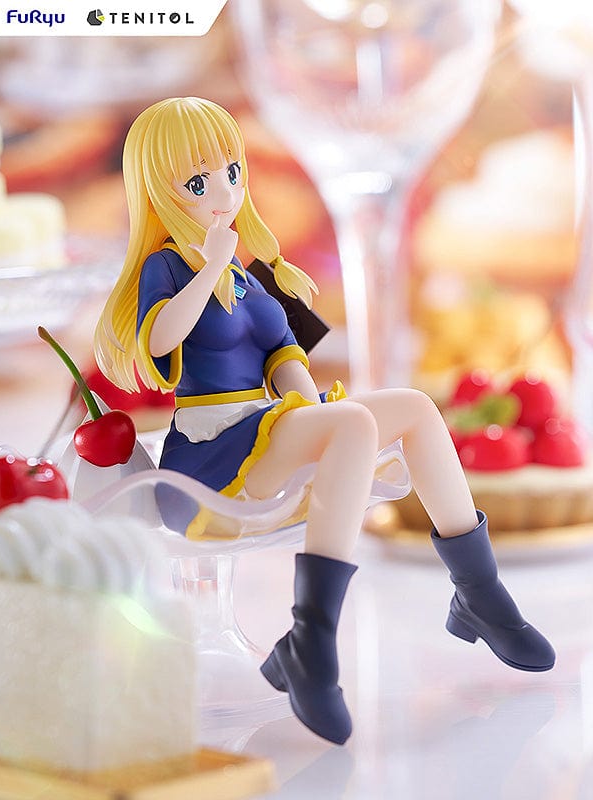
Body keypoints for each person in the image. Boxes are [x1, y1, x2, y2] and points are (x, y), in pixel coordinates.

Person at [94, 97, 555, 746]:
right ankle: (311, 642)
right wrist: (211, 266)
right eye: (198, 183)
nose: (223, 193)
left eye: (232, 172)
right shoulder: (167, 267)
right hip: (212, 456)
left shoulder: (252, 279)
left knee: (413, 408)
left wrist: (312, 416)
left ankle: (480, 594)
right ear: (159, 191)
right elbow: (162, 338)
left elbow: (284, 356)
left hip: (268, 428)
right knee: (353, 426)